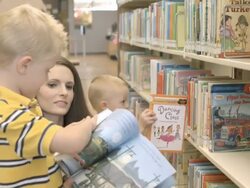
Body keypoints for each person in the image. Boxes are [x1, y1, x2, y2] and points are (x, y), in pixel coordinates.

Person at [0, 4, 96, 187]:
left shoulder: (18, 108)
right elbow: (73, 142)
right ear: (24, 66)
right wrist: (91, 123)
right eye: (46, 71)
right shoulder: (11, 115)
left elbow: (33, 154)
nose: (46, 77)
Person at [88, 74, 157, 133]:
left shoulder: (108, 119)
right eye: (123, 101)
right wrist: (141, 126)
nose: (127, 105)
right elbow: (126, 142)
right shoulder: (105, 126)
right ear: (104, 105)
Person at [37, 56, 90, 126]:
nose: (64, 92)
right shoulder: (22, 134)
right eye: (52, 85)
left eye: (69, 87)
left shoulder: (93, 132)